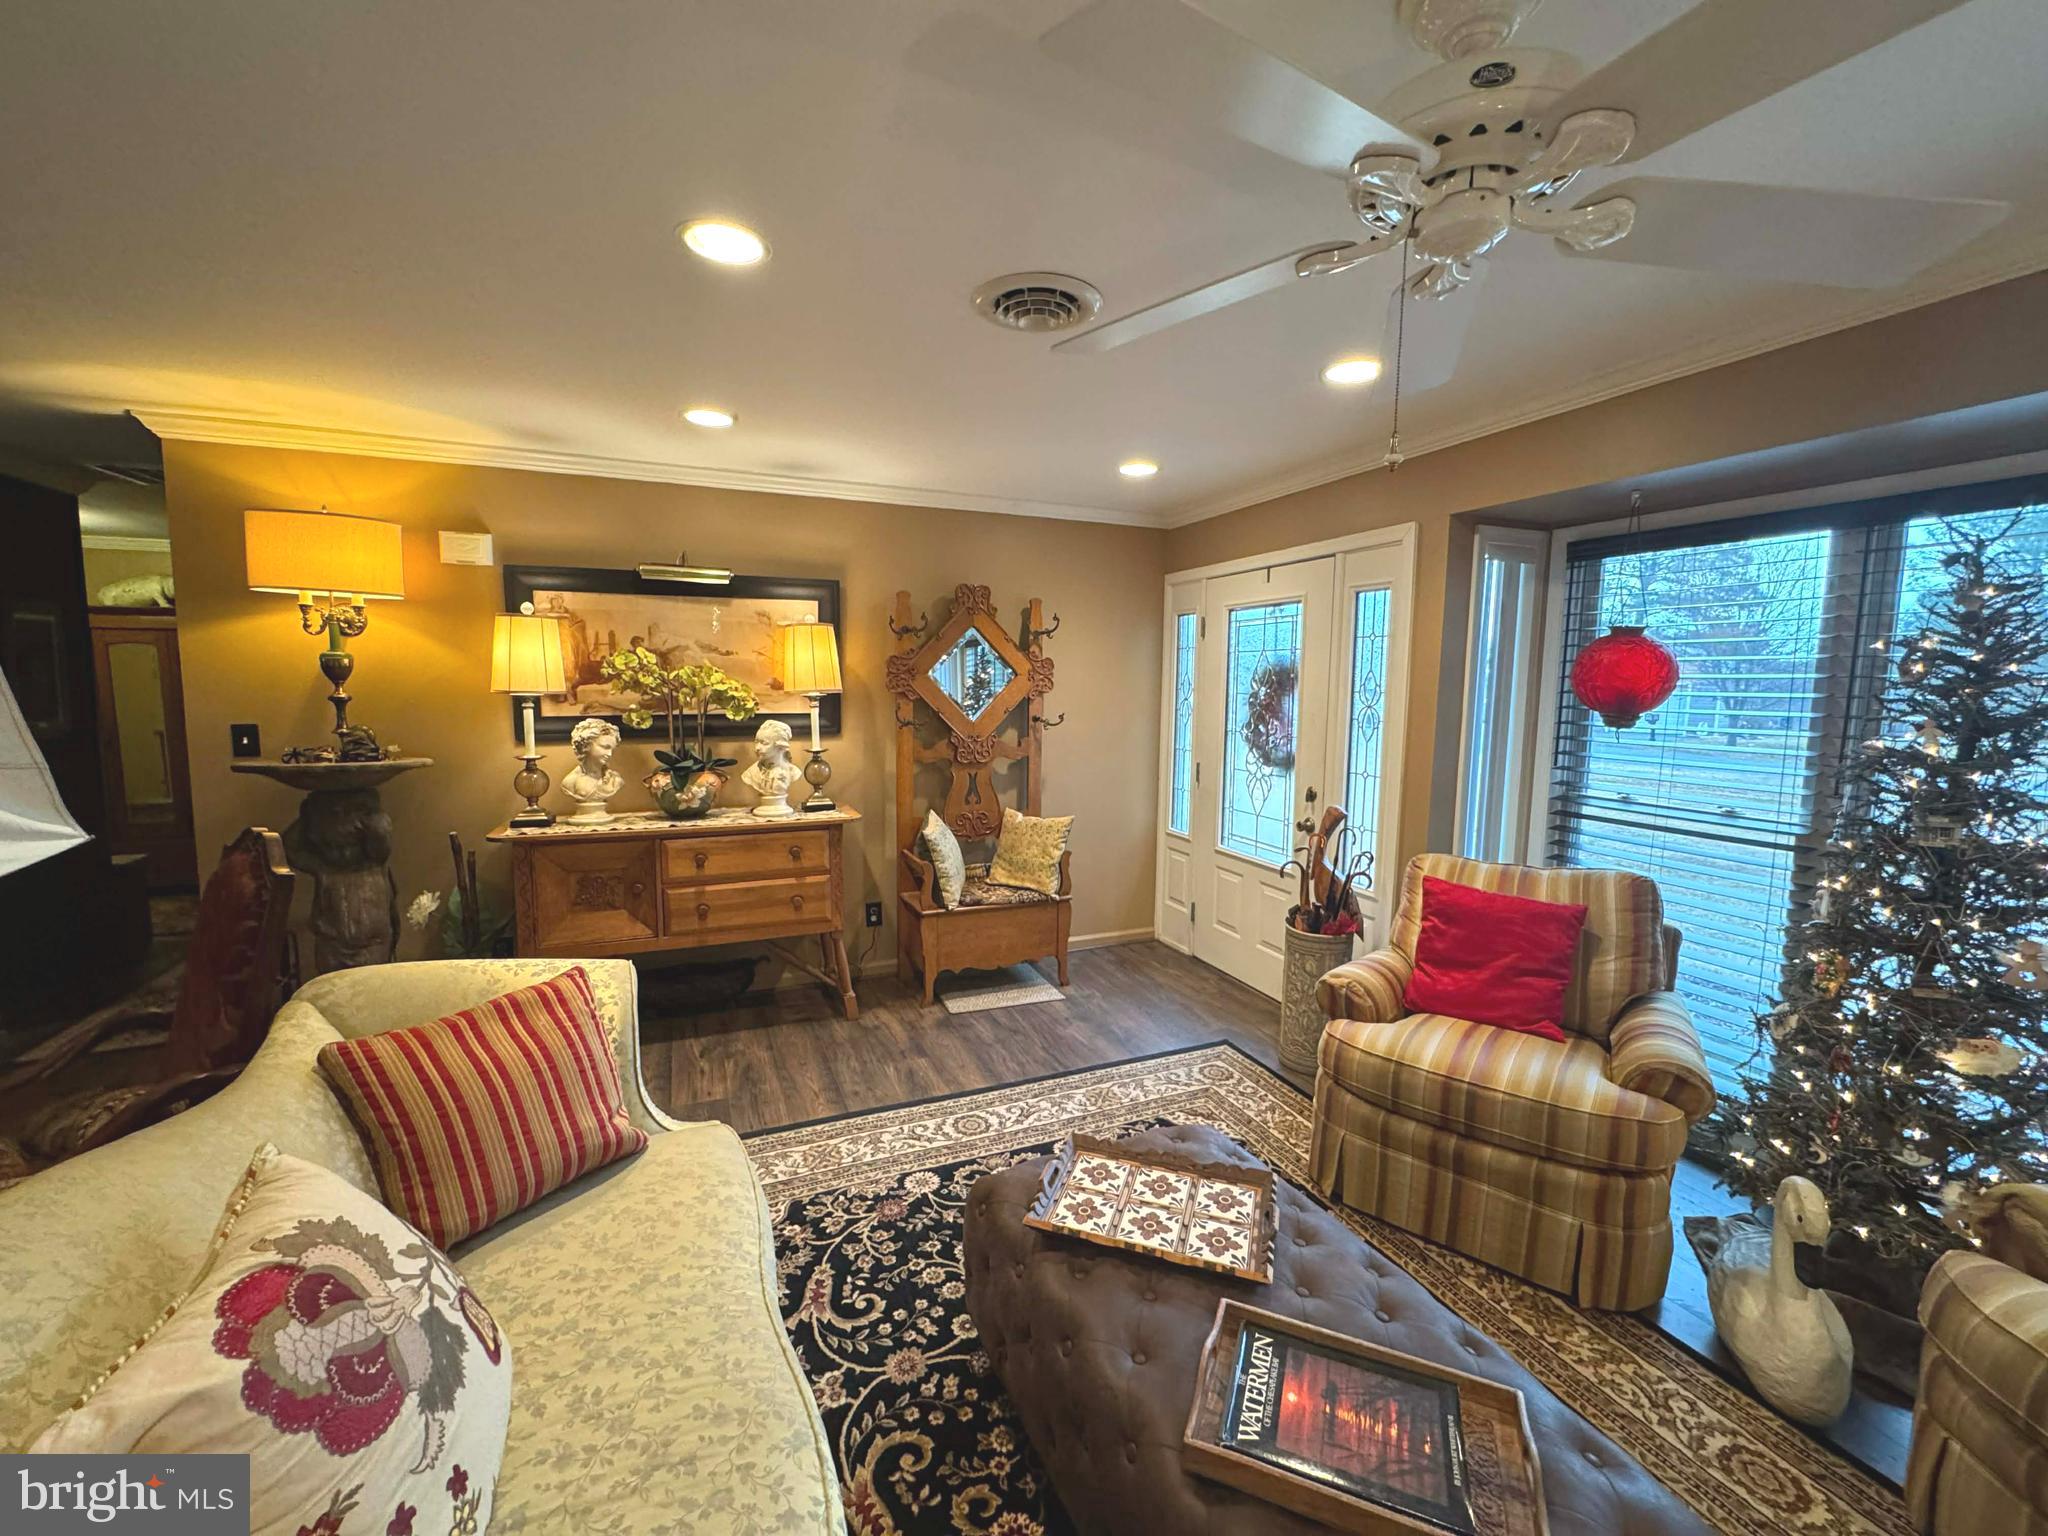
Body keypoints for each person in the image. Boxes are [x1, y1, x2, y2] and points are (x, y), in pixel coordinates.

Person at [562, 717, 623, 822]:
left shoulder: (615, 780)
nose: (610, 754)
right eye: (605, 747)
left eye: (612, 749)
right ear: (586, 745)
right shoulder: (569, 782)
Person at [741, 718, 800, 818]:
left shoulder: (793, 772)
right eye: (756, 742)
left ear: (780, 746)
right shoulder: (750, 774)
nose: (757, 748)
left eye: (764, 743)